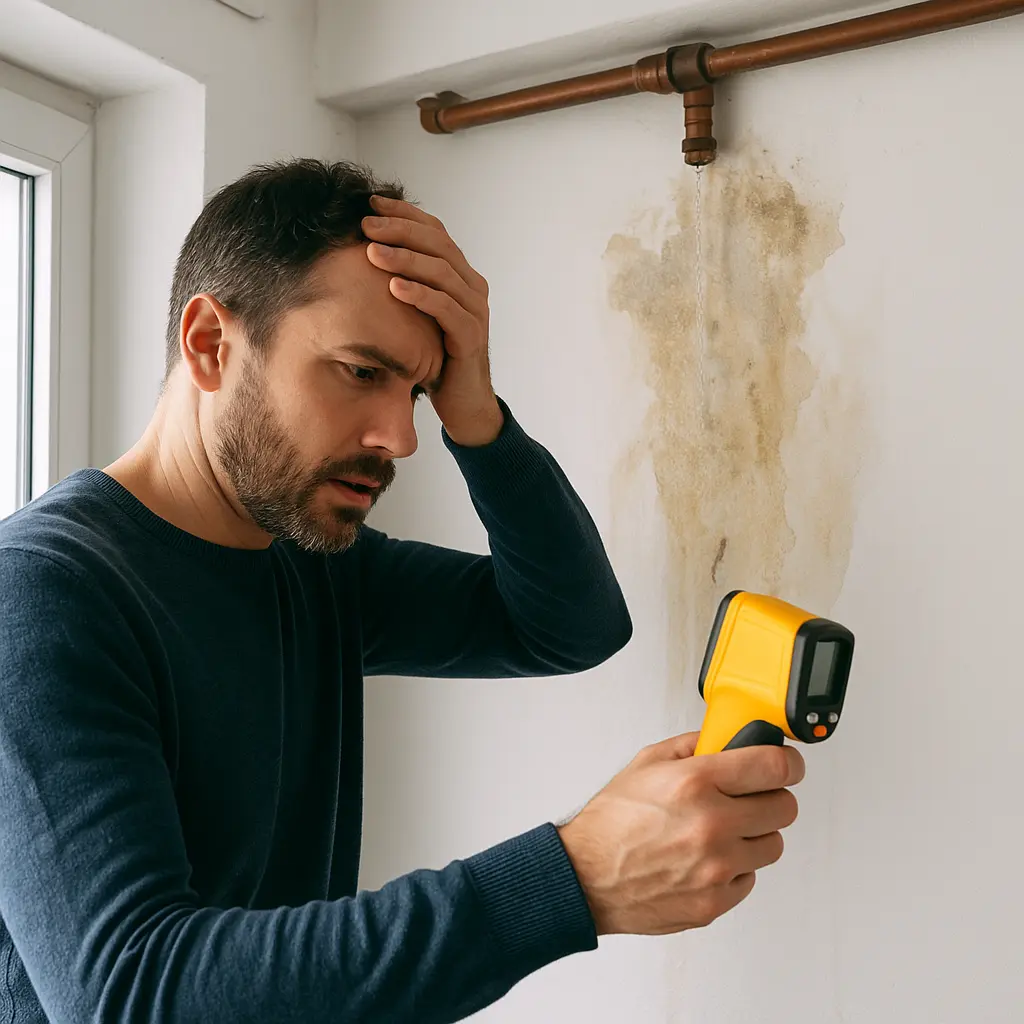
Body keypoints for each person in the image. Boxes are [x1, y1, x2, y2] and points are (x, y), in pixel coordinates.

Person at [0, 159, 804, 1023]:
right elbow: (128, 995)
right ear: (209, 344)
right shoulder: (43, 596)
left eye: (417, 390)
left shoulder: (315, 566)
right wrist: (576, 879)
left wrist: (479, 415)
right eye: (359, 371)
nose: (400, 438)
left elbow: (570, 625)